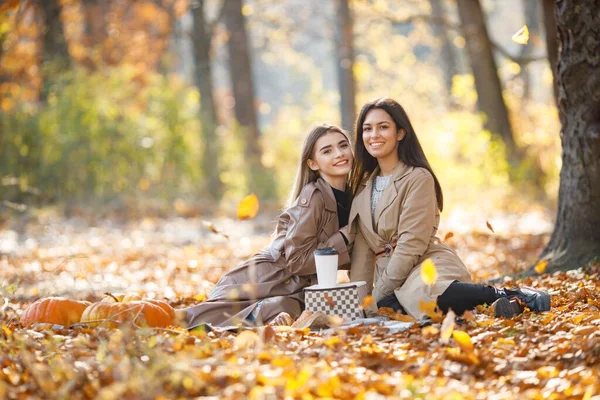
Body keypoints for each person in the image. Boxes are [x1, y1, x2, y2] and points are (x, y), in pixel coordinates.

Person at [347, 97, 550, 320]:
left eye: (383, 127)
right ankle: (500, 307)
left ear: (400, 133)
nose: (373, 135)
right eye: (367, 129)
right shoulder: (362, 188)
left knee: (421, 294)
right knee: (392, 307)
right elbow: (362, 254)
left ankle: (506, 293)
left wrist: (378, 294)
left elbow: (410, 244)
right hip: (390, 275)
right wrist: (361, 305)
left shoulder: (417, 178)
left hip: (424, 264)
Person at [180, 123, 353, 329]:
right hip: (262, 281)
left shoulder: (351, 196)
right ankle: (136, 315)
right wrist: (344, 238)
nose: (339, 154)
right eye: (327, 150)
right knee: (184, 320)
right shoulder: (313, 196)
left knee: (286, 313)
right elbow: (297, 261)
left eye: (343, 146)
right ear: (313, 164)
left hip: (292, 289)